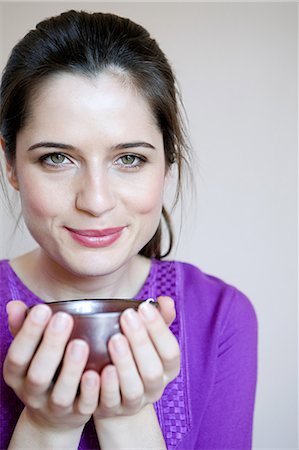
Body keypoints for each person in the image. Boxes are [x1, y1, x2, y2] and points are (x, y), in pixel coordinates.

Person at [0, 9, 258, 450]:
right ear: (11, 165)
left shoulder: (222, 317)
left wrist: (128, 417)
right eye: (56, 158)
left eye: (129, 159)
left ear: (168, 164)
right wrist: (46, 427)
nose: (96, 201)